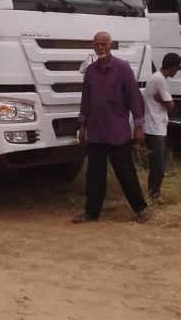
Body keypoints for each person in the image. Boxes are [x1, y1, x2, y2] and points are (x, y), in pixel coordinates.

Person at [73, 31, 150, 223]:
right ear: (93, 46)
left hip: (118, 132)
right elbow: (86, 100)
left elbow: (134, 98)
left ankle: (141, 210)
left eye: (104, 44)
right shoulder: (90, 71)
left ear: (111, 45)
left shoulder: (123, 69)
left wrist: (139, 125)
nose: (100, 47)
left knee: (126, 172)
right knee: (94, 176)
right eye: (97, 44)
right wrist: (82, 124)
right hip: (96, 132)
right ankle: (91, 213)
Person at [141, 52, 181, 203]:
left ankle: (154, 192)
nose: (177, 71)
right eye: (177, 68)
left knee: (157, 162)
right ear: (171, 67)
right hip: (155, 126)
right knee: (158, 164)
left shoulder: (155, 77)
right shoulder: (160, 81)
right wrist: (166, 102)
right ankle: (154, 194)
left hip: (155, 125)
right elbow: (170, 106)